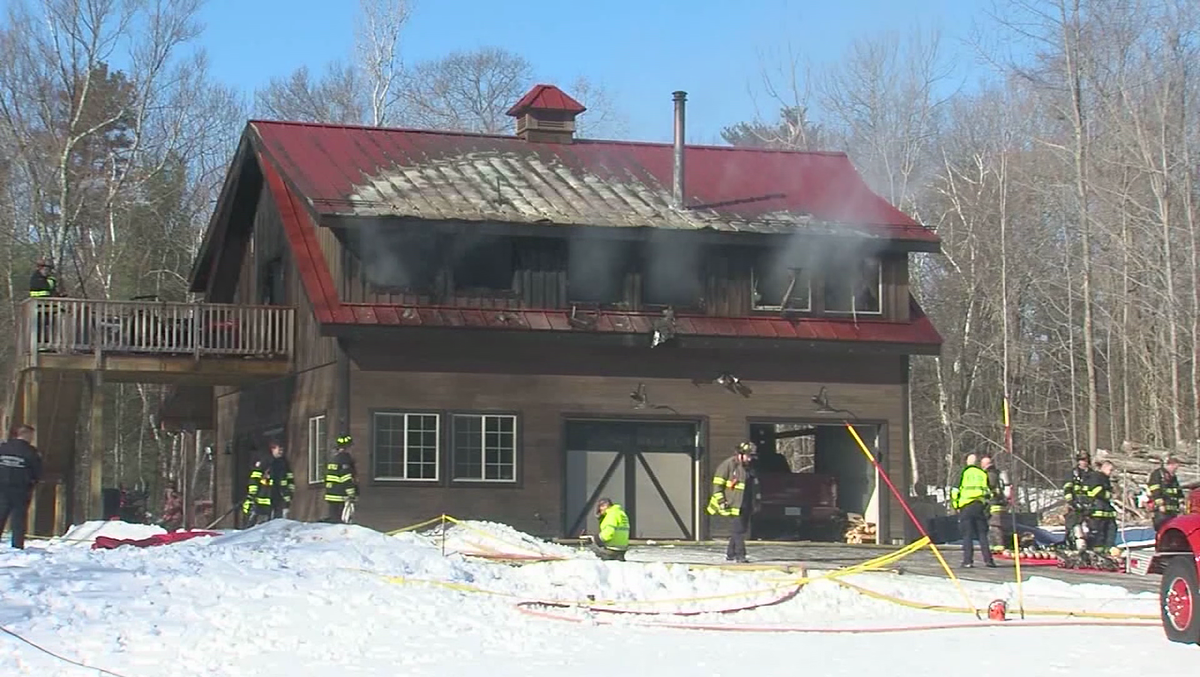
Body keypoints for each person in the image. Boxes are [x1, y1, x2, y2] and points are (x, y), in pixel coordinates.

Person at [706, 441, 760, 563]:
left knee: (739, 530)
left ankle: (730, 554)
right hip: (732, 504)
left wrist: (756, 502)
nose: (750, 459)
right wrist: (721, 501)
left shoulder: (749, 468)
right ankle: (740, 555)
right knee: (739, 530)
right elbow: (717, 486)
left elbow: (755, 487)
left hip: (746, 504)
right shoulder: (728, 465)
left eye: (751, 456)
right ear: (740, 454)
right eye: (748, 455)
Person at [0, 425, 42, 550]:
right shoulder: (31, 452)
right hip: (21, 490)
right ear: (25, 435)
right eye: (31, 435)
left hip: (2, 489)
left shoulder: (3, 448)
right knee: (18, 519)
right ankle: (17, 545)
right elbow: (37, 471)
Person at [951, 453, 995, 568]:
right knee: (982, 534)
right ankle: (988, 560)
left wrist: (956, 505)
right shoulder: (982, 474)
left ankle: (967, 561)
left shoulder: (963, 473)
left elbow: (955, 491)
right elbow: (988, 492)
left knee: (967, 535)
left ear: (967, 462)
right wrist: (985, 504)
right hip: (979, 506)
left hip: (966, 506)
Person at [241, 440, 294, 527]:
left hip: (278, 498)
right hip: (263, 497)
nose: (281, 452)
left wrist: (289, 494)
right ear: (272, 449)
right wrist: (252, 494)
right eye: (279, 450)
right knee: (260, 525)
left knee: (277, 524)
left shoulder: (283, 463)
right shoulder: (264, 461)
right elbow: (255, 478)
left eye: (282, 450)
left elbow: (289, 479)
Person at [323, 434, 359, 523]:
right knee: (341, 521)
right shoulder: (345, 459)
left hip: (331, 493)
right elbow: (346, 477)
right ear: (347, 447)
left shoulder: (333, 458)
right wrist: (352, 493)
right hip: (341, 494)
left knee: (334, 517)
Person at [981, 455, 1011, 554]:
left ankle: (998, 547)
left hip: (994, 503)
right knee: (1002, 525)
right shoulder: (998, 473)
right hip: (1003, 503)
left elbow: (990, 488)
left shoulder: (989, 474)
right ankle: (1003, 545)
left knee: (994, 526)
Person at [1084, 461, 1117, 551]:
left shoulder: (1104, 478)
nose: (1111, 472)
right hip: (1096, 511)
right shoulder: (1096, 477)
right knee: (1098, 535)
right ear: (1104, 468)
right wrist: (1109, 495)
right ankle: (1097, 552)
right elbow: (1095, 491)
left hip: (1105, 509)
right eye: (1110, 470)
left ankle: (1108, 549)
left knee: (1110, 531)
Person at [1062, 451, 1091, 551]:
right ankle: (1070, 545)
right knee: (1073, 525)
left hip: (1089, 504)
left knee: (1089, 528)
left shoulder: (1091, 473)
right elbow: (1067, 488)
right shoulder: (1073, 473)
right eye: (1081, 460)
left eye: (1085, 460)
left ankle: (1088, 546)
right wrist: (1071, 502)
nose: (1083, 462)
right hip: (1075, 504)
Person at [1147, 457, 1184, 532]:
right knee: (1161, 528)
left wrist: (1181, 502)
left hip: (1173, 508)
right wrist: (1160, 504)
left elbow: (1178, 490)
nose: (1175, 470)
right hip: (1162, 509)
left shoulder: (1173, 477)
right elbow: (1155, 490)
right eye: (1175, 468)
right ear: (1170, 465)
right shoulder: (1158, 474)